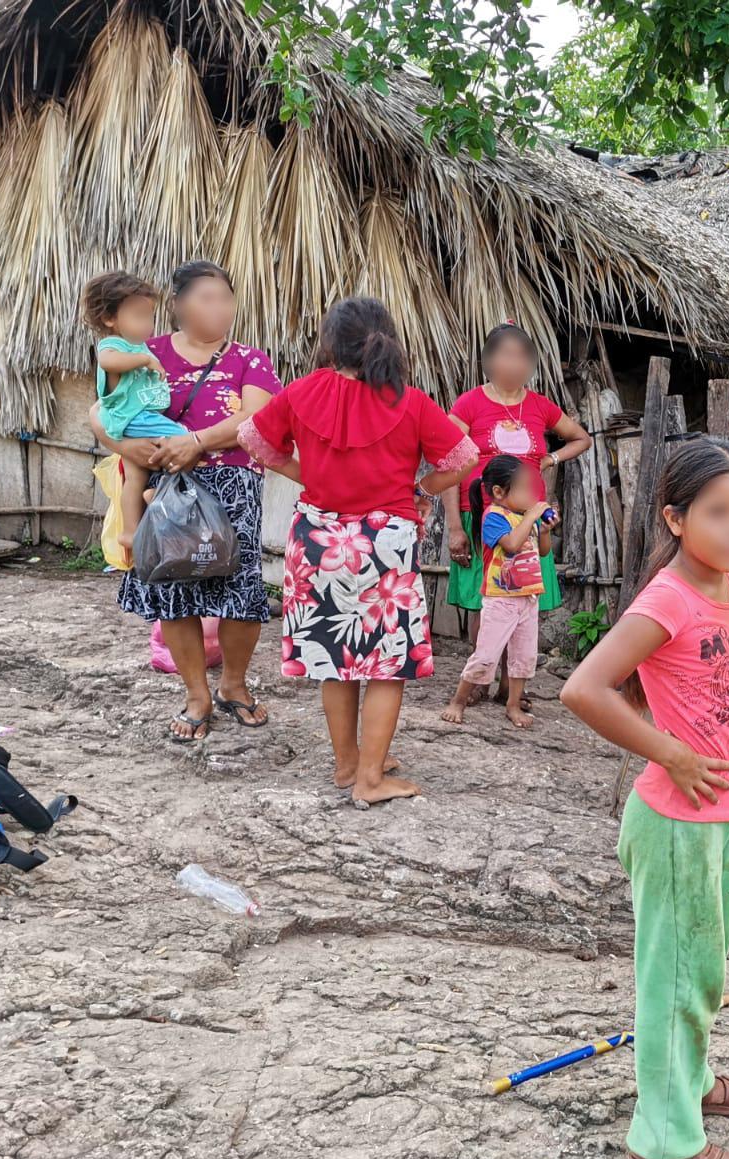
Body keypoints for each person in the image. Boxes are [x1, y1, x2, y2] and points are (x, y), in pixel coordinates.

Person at [560, 438, 729, 1159]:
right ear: (676, 518)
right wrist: (671, 754)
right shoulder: (668, 599)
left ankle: (692, 1079)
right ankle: (664, 1142)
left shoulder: (728, 585)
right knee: (676, 979)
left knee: (702, 969)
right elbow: (585, 690)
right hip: (676, 818)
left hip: (716, 817)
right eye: (719, 514)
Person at [236, 297, 477, 804]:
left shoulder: (302, 392)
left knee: (333, 654)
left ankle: (349, 766)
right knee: (386, 663)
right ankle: (371, 780)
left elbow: (256, 441)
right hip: (384, 544)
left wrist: (309, 474)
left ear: (332, 343)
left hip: (318, 540)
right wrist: (425, 487)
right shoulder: (408, 401)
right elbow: (463, 455)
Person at [91, 260, 284, 742]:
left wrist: (196, 440)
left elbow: (255, 420)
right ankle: (196, 693)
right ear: (175, 305)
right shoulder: (144, 351)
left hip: (231, 487)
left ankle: (233, 686)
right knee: (175, 591)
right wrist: (124, 447)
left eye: (225, 298)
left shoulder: (249, 359)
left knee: (241, 592)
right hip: (165, 488)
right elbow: (102, 411)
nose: (219, 308)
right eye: (205, 298)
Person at [446, 324, 592, 672]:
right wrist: (454, 526)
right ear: (489, 360)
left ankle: (510, 686)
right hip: (484, 518)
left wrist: (550, 458)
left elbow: (581, 439)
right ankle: (480, 674)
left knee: (523, 599)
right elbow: (448, 462)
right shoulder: (470, 403)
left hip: (530, 519)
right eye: (506, 355)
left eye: (521, 356)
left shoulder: (540, 406)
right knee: (486, 601)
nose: (514, 364)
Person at [441, 455, 558, 728]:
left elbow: (543, 552)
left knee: (524, 655)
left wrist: (544, 531)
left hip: (528, 599)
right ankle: (458, 701)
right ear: (498, 492)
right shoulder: (493, 516)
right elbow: (512, 546)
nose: (532, 495)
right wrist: (531, 516)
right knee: (486, 654)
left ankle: (513, 704)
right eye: (524, 489)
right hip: (500, 600)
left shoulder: (524, 517)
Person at [81, 271, 187, 552]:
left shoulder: (137, 347)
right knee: (184, 440)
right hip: (133, 419)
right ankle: (161, 494)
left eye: (149, 316)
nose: (148, 324)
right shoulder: (114, 346)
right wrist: (144, 359)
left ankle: (130, 531)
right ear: (109, 319)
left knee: (135, 477)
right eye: (138, 316)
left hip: (134, 420)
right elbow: (108, 361)